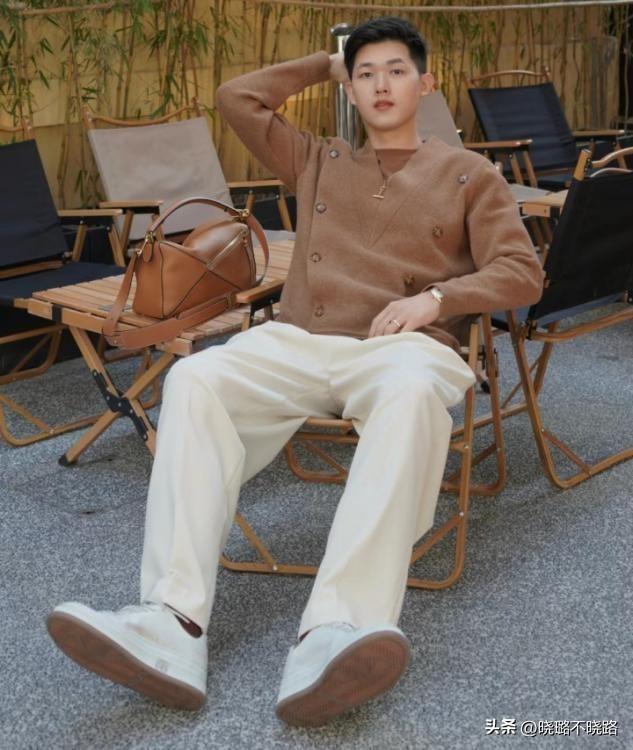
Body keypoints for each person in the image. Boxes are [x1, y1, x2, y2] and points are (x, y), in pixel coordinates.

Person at [47, 17, 543, 727]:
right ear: (351, 87)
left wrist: (436, 298)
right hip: (299, 340)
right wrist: (325, 63)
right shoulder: (318, 159)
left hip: (403, 348)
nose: (380, 84)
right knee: (194, 379)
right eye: (365, 73)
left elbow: (523, 271)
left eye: (396, 70)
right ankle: (170, 623)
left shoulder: (470, 174)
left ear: (426, 84)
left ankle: (336, 629)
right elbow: (236, 99)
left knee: (410, 399)